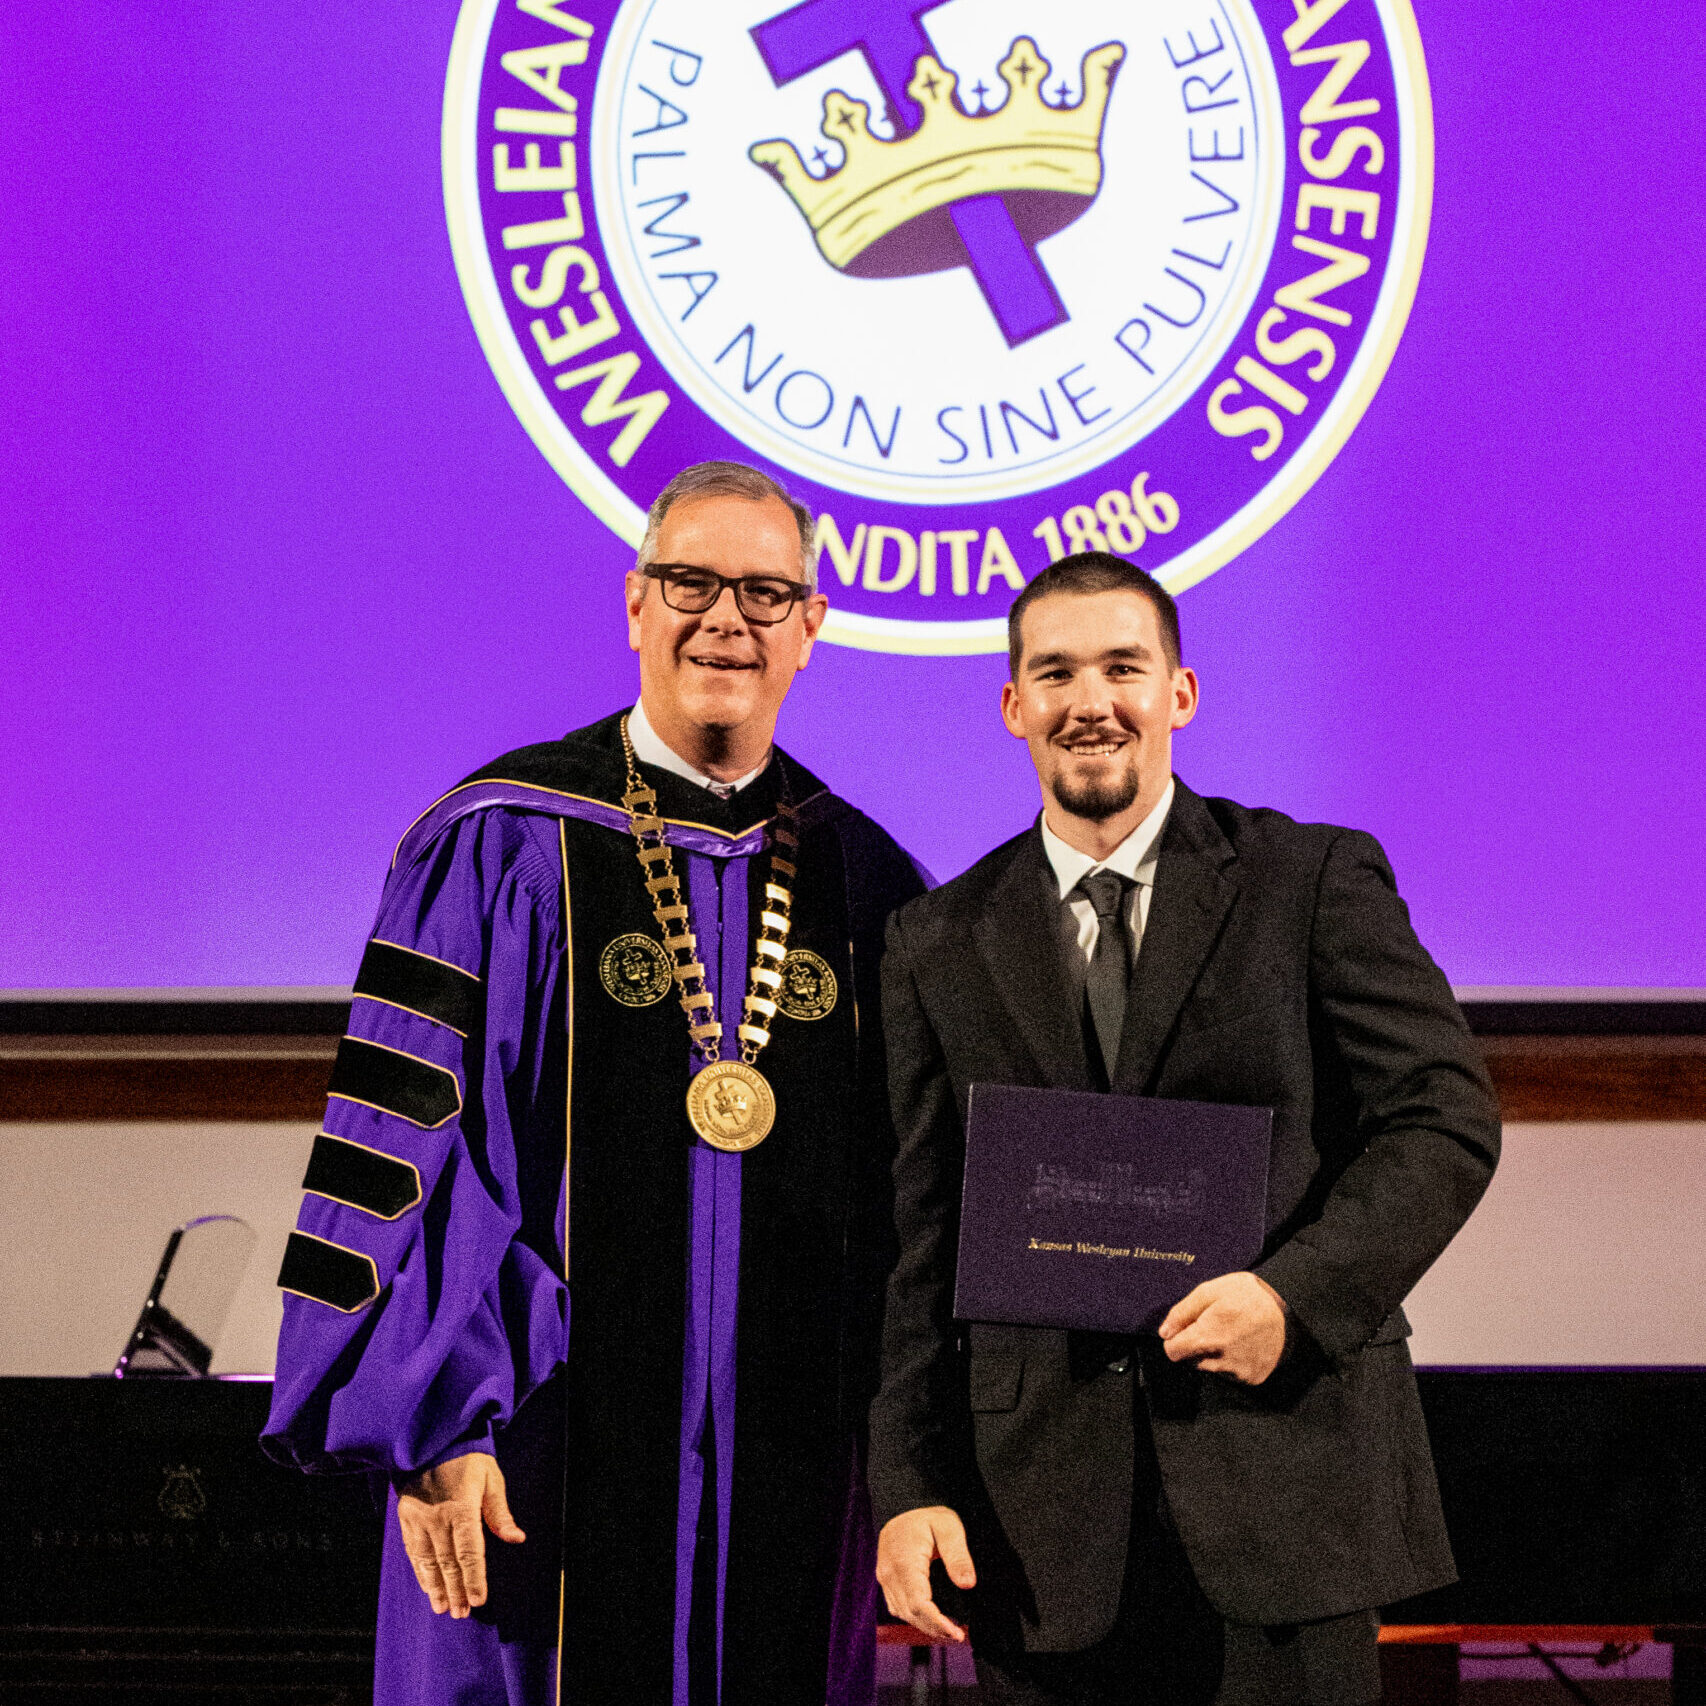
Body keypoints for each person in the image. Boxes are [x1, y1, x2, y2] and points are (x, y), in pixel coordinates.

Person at [263, 462, 928, 1706]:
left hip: (791, 1477)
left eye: (763, 592)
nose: (725, 618)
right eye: (690, 582)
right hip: (527, 1451)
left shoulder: (870, 884)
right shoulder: (501, 842)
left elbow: (912, 1213)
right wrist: (434, 1421)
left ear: (809, 625)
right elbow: (413, 1151)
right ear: (634, 602)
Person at [869, 553, 1501, 1705]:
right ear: (1012, 704)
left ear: (1179, 692)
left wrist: (1292, 1297)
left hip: (1286, 1487)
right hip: (1036, 1523)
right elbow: (917, 1240)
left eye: (1122, 666)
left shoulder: (1307, 879)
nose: (1090, 701)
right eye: (1054, 672)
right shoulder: (934, 940)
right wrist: (905, 1482)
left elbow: (1441, 1115)